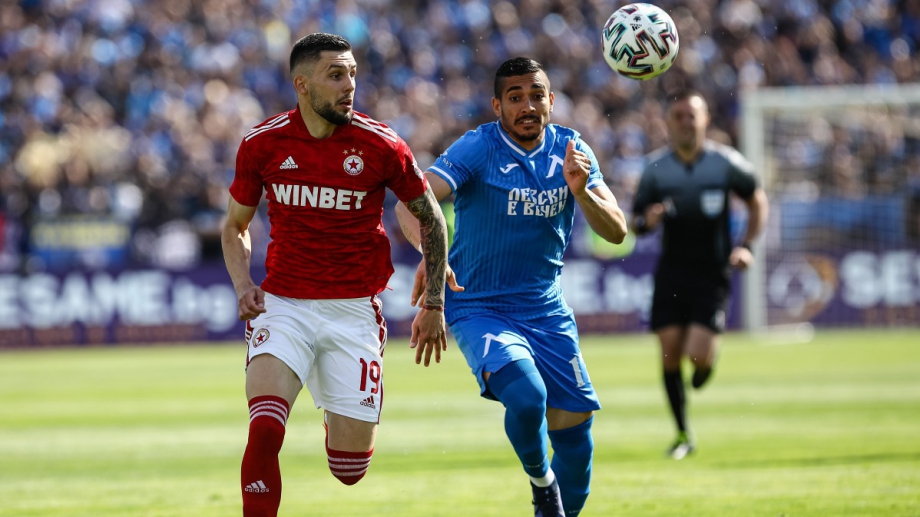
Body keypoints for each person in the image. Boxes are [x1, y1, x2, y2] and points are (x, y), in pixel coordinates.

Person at [221, 33, 450, 517]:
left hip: (353, 312)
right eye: (336, 75)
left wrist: (434, 302)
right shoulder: (262, 143)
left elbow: (430, 217)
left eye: (352, 74)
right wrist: (243, 285)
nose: (349, 85)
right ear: (302, 85)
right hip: (283, 306)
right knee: (265, 428)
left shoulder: (382, 144)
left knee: (349, 469)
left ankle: (335, 406)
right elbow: (235, 226)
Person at [396, 57, 628, 517]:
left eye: (536, 96)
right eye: (516, 97)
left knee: (576, 444)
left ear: (551, 101)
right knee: (527, 397)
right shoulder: (477, 147)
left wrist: (581, 191)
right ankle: (542, 483)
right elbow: (410, 203)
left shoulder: (573, 150)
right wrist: (430, 254)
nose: (528, 106)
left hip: (547, 311)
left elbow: (617, 230)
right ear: (497, 105)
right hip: (479, 306)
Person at [631, 89, 769, 460]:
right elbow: (636, 222)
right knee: (669, 353)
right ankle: (682, 433)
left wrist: (747, 246)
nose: (685, 123)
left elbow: (757, 199)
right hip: (672, 272)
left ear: (705, 119)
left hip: (712, 272)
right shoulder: (655, 168)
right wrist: (648, 221)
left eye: (691, 115)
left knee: (697, 356)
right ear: (667, 122)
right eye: (678, 116)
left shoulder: (725, 163)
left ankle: (707, 363)